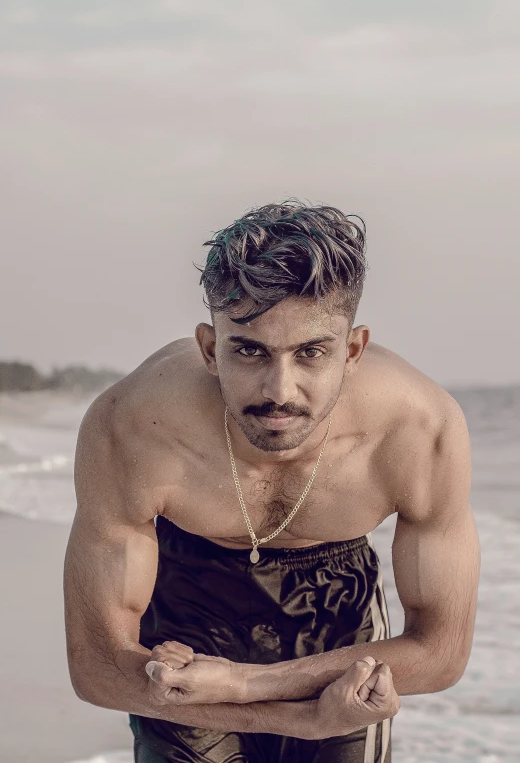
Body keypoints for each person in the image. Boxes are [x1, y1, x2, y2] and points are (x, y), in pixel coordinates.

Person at [64, 199, 480, 763]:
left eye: (311, 352)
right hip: (190, 600)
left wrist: (245, 685)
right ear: (211, 348)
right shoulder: (134, 426)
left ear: (352, 350)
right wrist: (302, 718)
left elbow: (442, 651)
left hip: (337, 610)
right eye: (249, 350)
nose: (279, 389)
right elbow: (97, 668)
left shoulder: (419, 430)